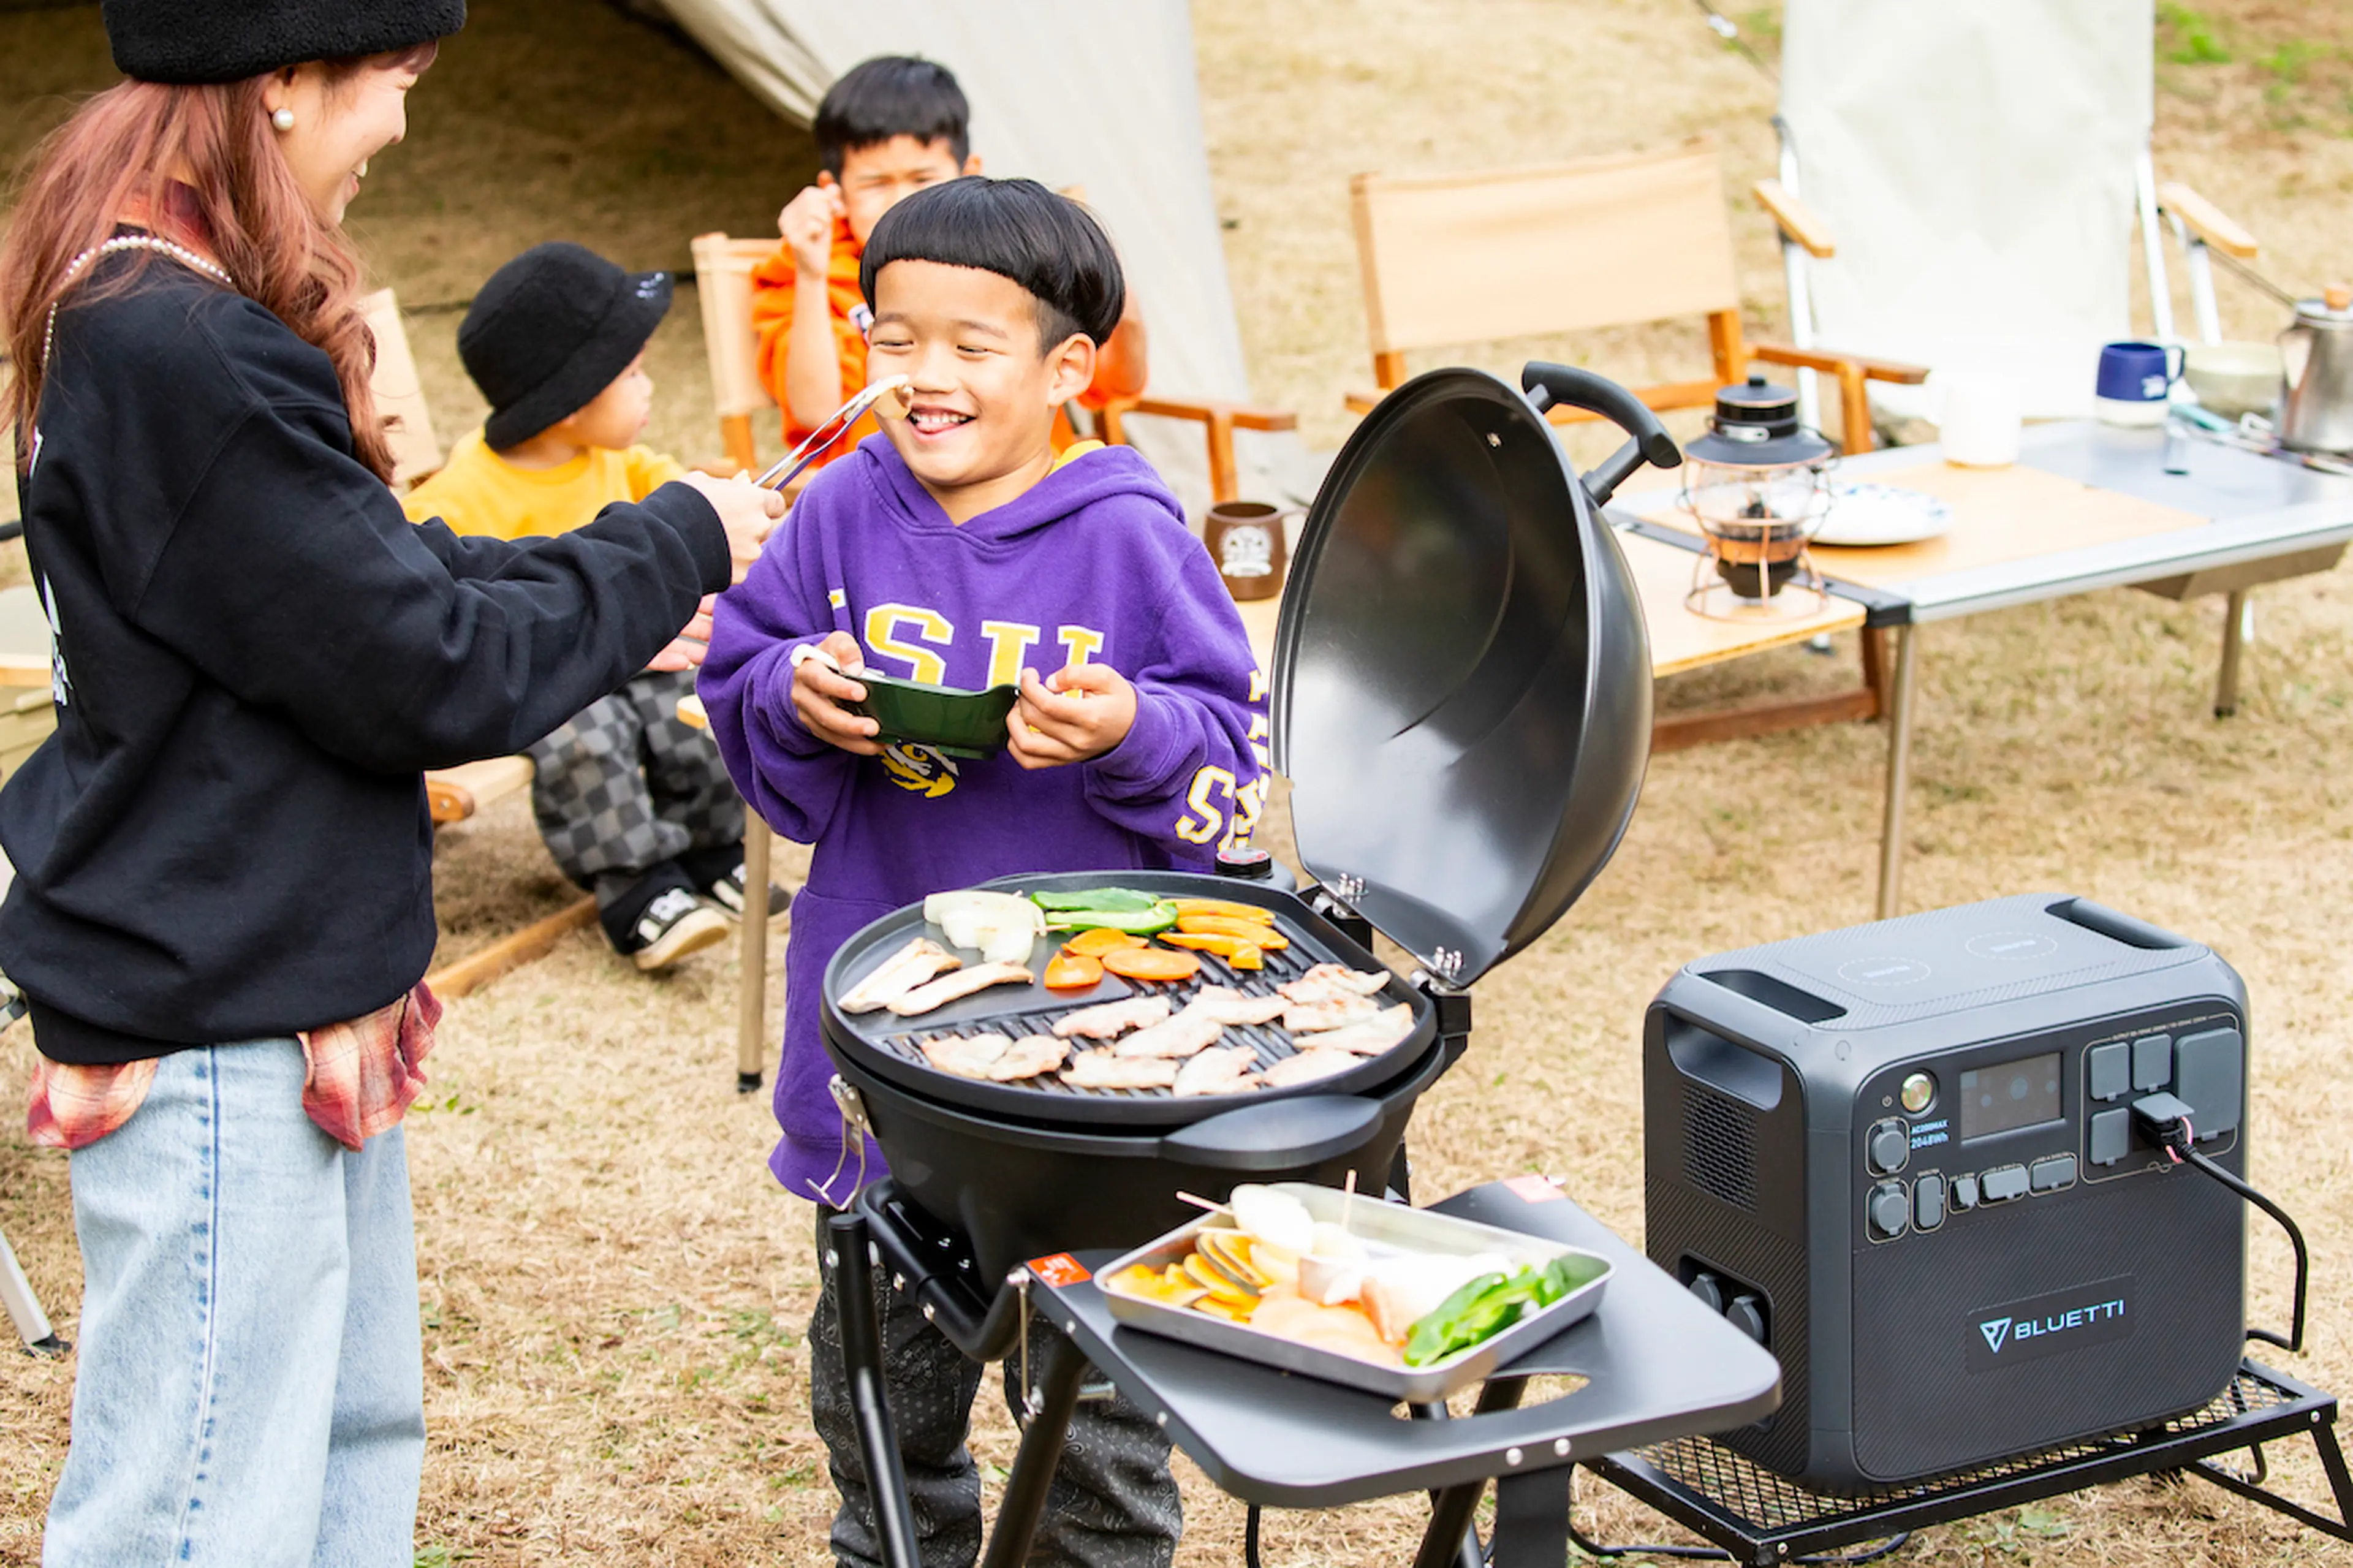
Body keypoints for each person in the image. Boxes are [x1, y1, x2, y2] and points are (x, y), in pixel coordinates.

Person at [0, 6, 784, 1563]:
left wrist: (621, 575)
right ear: (281, 78)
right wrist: (675, 538)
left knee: (347, 1450)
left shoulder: (154, 298)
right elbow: (417, 662)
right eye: (395, 86)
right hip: (220, 1007)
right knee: (201, 1507)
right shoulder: (184, 346)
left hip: (277, 967)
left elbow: (359, 579)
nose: (405, 128)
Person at [701, 175, 1266, 1568]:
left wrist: (1128, 728)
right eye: (895, 339)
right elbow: (741, 670)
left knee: (1096, 1425)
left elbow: (1225, 770)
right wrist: (790, 691)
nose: (925, 375)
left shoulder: (1128, 533)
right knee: (881, 1412)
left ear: (1069, 366)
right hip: (883, 1044)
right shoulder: (837, 514)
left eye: (972, 344)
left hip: (1087, 1068)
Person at [403, 241, 786, 969]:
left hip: (640, 647)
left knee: (694, 700)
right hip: (546, 675)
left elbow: (677, 497)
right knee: (586, 731)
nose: (649, 389)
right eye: (633, 373)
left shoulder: (618, 461)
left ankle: (712, 850)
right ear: (571, 399)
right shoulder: (458, 499)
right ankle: (635, 885)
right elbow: (444, 596)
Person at [750, 55, 1147, 469]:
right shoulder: (811, 269)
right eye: (874, 184)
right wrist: (811, 275)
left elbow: (1117, 383)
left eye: (923, 179)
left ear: (969, 172)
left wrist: (1106, 279)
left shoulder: (1015, 256)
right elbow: (818, 415)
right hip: (885, 497)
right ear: (836, 190)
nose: (901, 201)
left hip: (1029, 490)